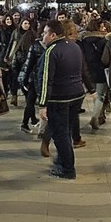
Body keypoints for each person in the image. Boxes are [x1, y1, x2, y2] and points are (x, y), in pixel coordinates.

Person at [38, 20, 85, 179]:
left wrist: (42, 104)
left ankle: (67, 169)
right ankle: (63, 161)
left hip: (60, 98)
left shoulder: (51, 51)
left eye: (44, 33)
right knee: (68, 131)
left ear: (52, 35)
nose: (42, 36)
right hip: (77, 95)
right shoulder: (74, 46)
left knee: (61, 134)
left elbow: (46, 80)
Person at [82, 19, 108, 131]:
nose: (104, 29)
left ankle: (97, 113)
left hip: (88, 70)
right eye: (102, 27)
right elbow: (106, 57)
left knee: (94, 93)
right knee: (100, 95)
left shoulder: (84, 40)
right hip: (101, 69)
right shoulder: (104, 41)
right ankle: (95, 116)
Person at [17, 32, 44, 134]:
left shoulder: (31, 47)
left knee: (30, 102)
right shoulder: (37, 47)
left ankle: (29, 121)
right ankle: (27, 123)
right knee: (31, 101)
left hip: (28, 78)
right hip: (33, 78)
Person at [6, 18, 35, 106]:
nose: (27, 25)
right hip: (17, 58)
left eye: (28, 23)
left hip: (28, 59)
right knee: (15, 78)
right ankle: (14, 96)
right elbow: (11, 44)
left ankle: (27, 96)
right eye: (25, 23)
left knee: (25, 79)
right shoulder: (16, 32)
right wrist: (7, 56)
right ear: (21, 24)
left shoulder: (32, 34)